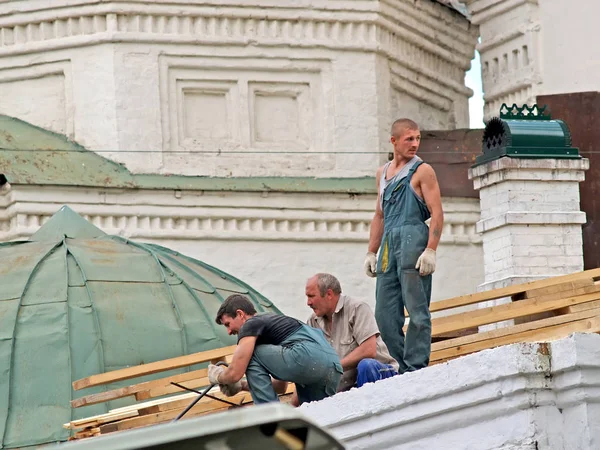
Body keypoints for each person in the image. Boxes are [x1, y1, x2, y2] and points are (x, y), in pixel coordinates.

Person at [363, 118, 444, 373]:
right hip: (389, 245)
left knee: (417, 311)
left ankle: (416, 367)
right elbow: (379, 215)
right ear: (394, 141)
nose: (415, 144)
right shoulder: (382, 173)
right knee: (385, 316)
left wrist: (431, 249)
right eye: (409, 139)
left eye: (418, 138)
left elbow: (437, 212)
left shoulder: (423, 171)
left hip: (413, 240)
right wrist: (371, 251)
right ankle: (398, 366)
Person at [207, 294, 343, 406]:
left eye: (228, 324)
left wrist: (218, 377)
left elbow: (235, 373)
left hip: (306, 356)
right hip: (332, 365)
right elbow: (280, 387)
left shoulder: (251, 324)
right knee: (317, 416)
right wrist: (242, 385)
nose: (229, 331)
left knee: (251, 354)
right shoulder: (274, 324)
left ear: (240, 314)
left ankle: (271, 419)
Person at [305, 273, 399, 392]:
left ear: (329, 294)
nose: (308, 302)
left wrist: (333, 367)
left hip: (381, 376)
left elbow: (368, 350)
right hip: (348, 389)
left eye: (311, 296)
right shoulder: (312, 322)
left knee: (366, 366)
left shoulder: (357, 308)